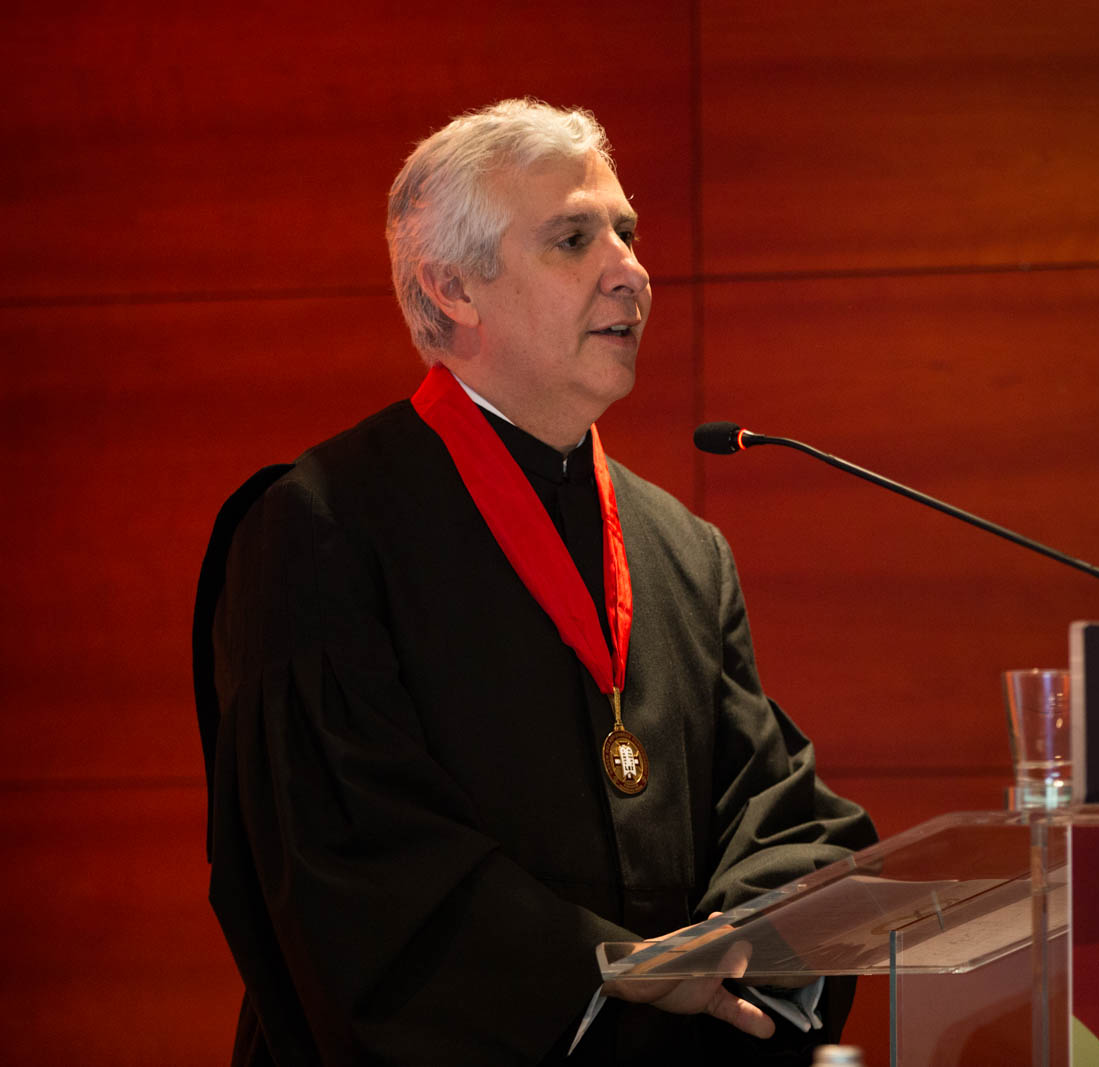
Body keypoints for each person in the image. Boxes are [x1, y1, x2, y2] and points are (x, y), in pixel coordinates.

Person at [196, 98, 876, 1066]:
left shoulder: (684, 549)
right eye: (573, 238)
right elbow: (348, 863)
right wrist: (602, 972)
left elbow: (774, 808)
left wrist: (735, 945)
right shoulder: (321, 527)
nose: (630, 270)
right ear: (453, 289)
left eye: (627, 231)